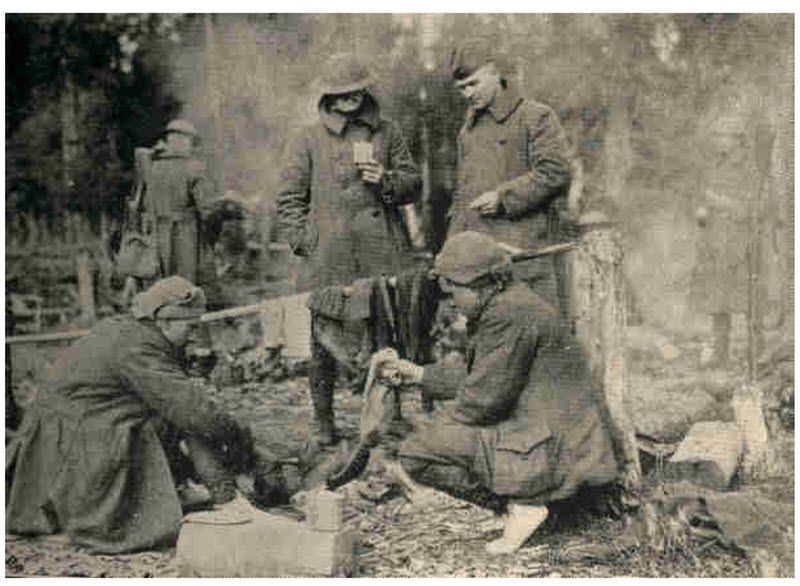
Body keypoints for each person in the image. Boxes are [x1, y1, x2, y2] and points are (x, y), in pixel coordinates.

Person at [5, 277, 286, 554]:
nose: (195, 335)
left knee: (173, 413)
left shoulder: (135, 331)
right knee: (183, 417)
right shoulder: (139, 347)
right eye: (189, 326)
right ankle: (228, 502)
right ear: (163, 322)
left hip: (73, 431)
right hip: (71, 443)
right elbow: (195, 412)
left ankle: (196, 490)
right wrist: (248, 449)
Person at [380, 232, 620, 555]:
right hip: (559, 439)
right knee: (436, 435)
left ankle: (524, 504)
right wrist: (419, 375)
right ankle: (535, 504)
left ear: (482, 285)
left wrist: (442, 422)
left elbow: (481, 403)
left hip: (552, 446)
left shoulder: (507, 315)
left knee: (417, 452)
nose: (451, 303)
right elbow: (481, 377)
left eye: (454, 294)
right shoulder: (509, 303)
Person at [277, 52, 422, 445]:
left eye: (354, 93)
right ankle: (323, 420)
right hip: (330, 254)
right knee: (322, 338)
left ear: (364, 89)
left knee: (386, 332)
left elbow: (413, 183)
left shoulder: (387, 133)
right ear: (327, 97)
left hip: (380, 249)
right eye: (338, 95)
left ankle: (389, 417)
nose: (347, 101)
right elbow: (289, 200)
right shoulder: (307, 138)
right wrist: (307, 242)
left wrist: (386, 179)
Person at [447, 40, 574, 319]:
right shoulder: (467, 133)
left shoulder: (535, 116)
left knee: (536, 340)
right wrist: (451, 253)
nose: (468, 93)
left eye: (473, 83)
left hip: (526, 257)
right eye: (461, 88)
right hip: (480, 269)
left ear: (494, 73)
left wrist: (503, 198)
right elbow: (462, 198)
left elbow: (556, 171)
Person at [149, 119, 214, 286]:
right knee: (185, 282)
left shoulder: (152, 167)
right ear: (186, 141)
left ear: (168, 140)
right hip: (185, 234)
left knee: (159, 280)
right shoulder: (194, 167)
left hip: (156, 233)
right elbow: (206, 208)